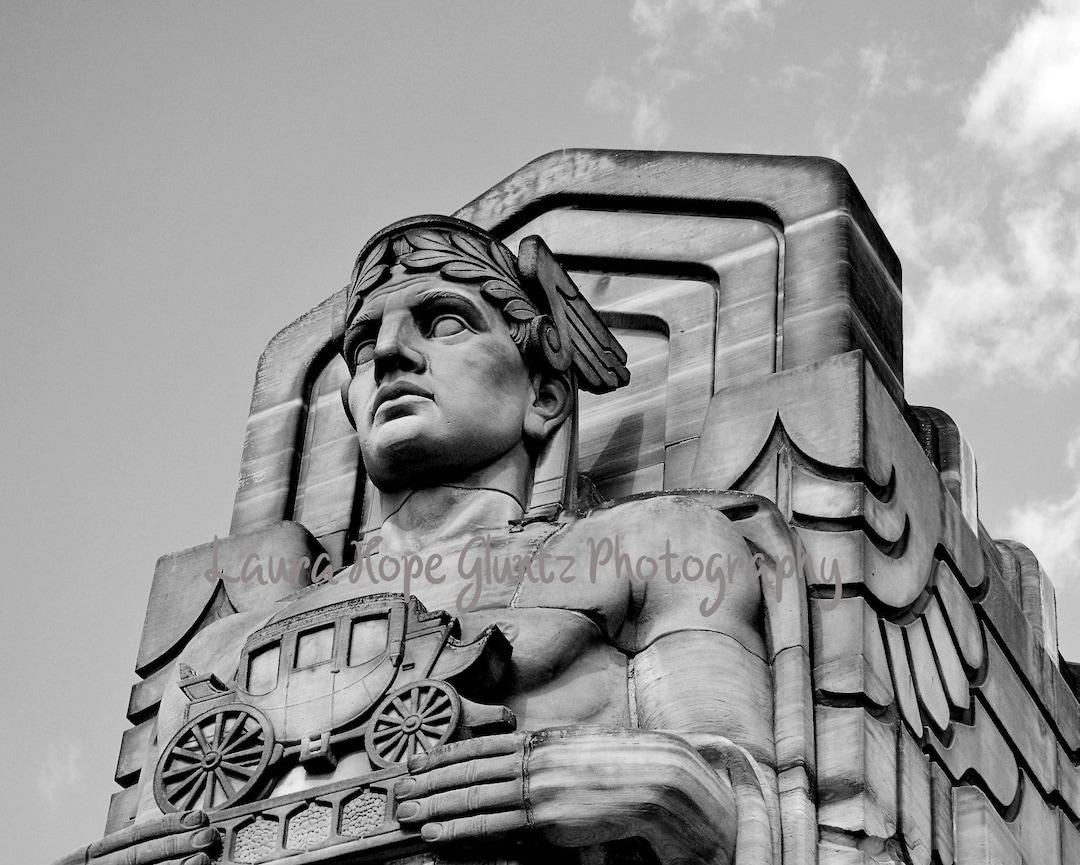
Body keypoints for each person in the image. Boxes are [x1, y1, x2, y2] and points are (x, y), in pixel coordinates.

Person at [56, 216, 779, 865]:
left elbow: (736, 803)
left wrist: (557, 782)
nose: (391, 354)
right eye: (365, 343)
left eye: (445, 322)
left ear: (544, 396)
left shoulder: (652, 545)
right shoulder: (220, 652)